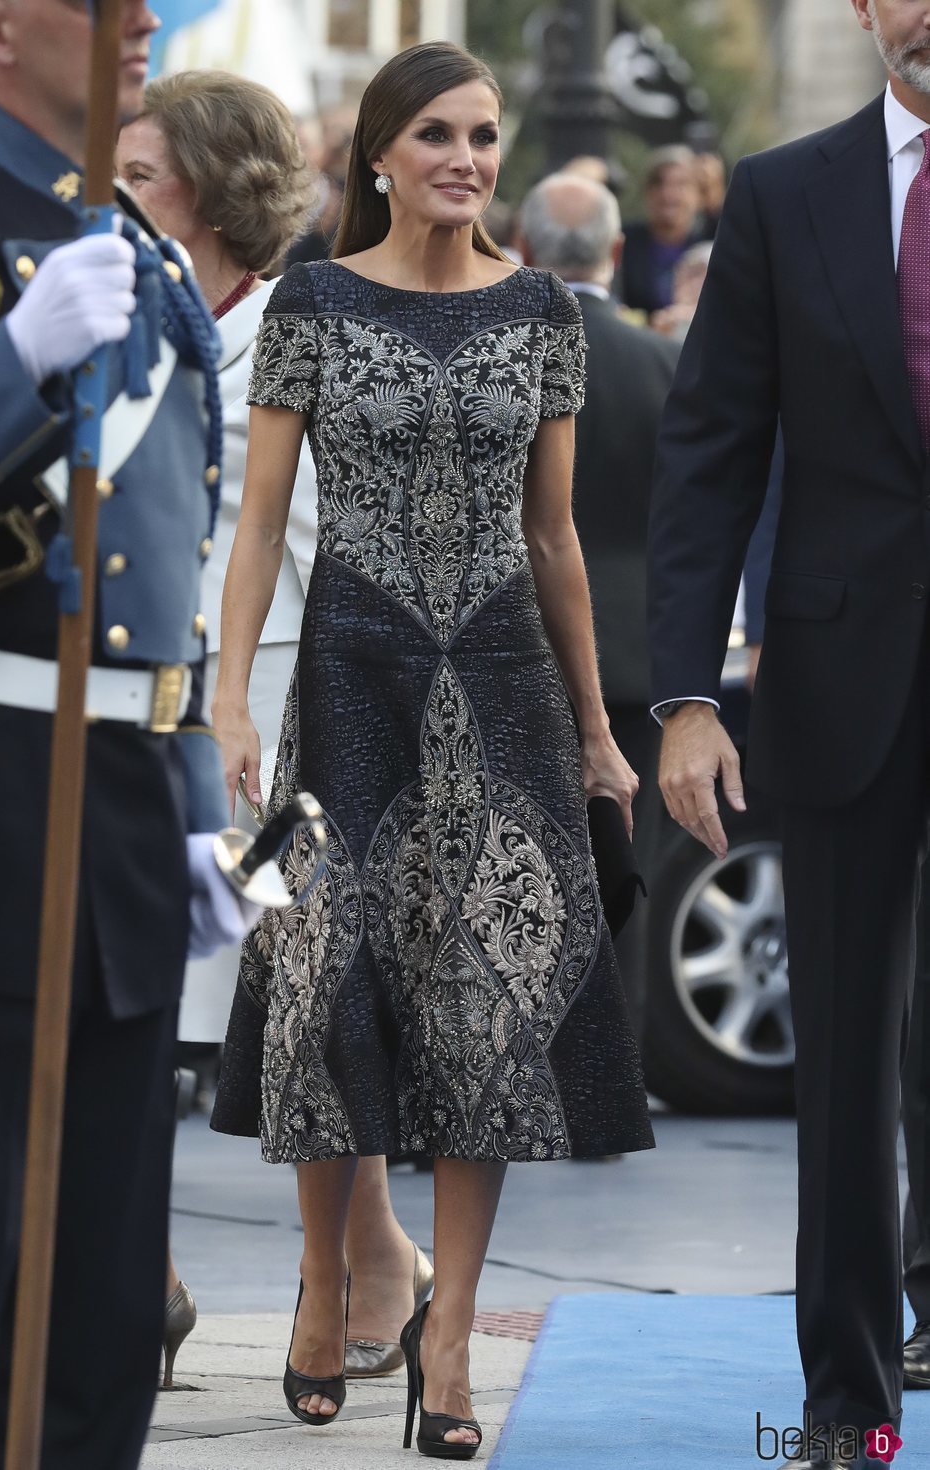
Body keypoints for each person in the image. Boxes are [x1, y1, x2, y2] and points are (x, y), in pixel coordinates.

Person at [210, 38, 653, 1458]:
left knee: (491, 1015)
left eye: (484, 134)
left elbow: (556, 535)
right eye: (440, 135)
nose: (467, 157)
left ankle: (448, 1335)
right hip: (337, 690)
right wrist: (229, 699)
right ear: (382, 156)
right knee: (314, 988)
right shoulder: (314, 301)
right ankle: (323, 1281)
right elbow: (267, 518)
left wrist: (595, 729)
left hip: (507, 696)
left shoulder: (544, 312)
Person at [0, 2, 254, 1466]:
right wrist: (5, 361)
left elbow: (174, 552)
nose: (138, 20)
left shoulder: (134, 252)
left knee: (110, 1265)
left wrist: (195, 791)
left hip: (123, 798)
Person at [116, 68, 434, 1386]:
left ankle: (371, 1265)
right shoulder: (117, 315)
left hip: (288, 757)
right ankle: (149, 1279)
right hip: (143, 741)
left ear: (213, 189)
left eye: (139, 176)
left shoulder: (305, 339)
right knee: (133, 1014)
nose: (112, 197)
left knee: (300, 1018)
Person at [648, 2, 930, 1465]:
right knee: (841, 1061)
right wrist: (686, 694)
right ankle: (848, 1409)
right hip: (839, 678)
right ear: (870, 10)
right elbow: (711, 446)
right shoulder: (785, 191)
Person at [516, 171, 679, 1038]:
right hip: (641, 650)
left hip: (524, 640)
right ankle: (612, 1080)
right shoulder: (666, 362)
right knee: (628, 861)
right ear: (618, 252)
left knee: (515, 865)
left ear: (525, 248)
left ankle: (518, 1065)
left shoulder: (510, 355)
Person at [618, 144, 704, 319]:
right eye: (659, 183)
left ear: (698, 195)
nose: (668, 194)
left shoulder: (710, 243)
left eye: (681, 184)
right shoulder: (624, 241)